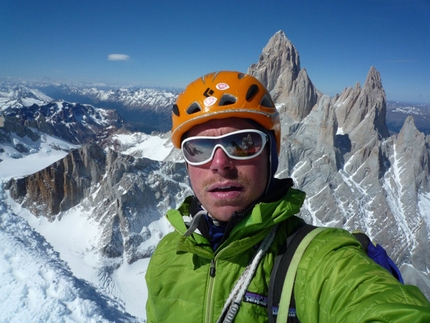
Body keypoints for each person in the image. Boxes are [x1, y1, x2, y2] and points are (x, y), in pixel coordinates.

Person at [145, 71, 430, 322]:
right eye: (199, 149)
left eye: (243, 143)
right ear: (186, 163)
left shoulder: (318, 259)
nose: (220, 163)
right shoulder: (167, 257)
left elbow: (379, 306)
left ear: (271, 155)